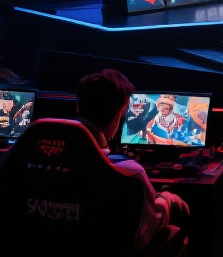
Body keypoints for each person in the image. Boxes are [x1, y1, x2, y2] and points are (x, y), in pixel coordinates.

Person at [73, 70, 188, 248]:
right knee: (175, 224)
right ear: (120, 113)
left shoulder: (31, 154)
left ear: (78, 107)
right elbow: (146, 228)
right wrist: (168, 200)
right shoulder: (129, 172)